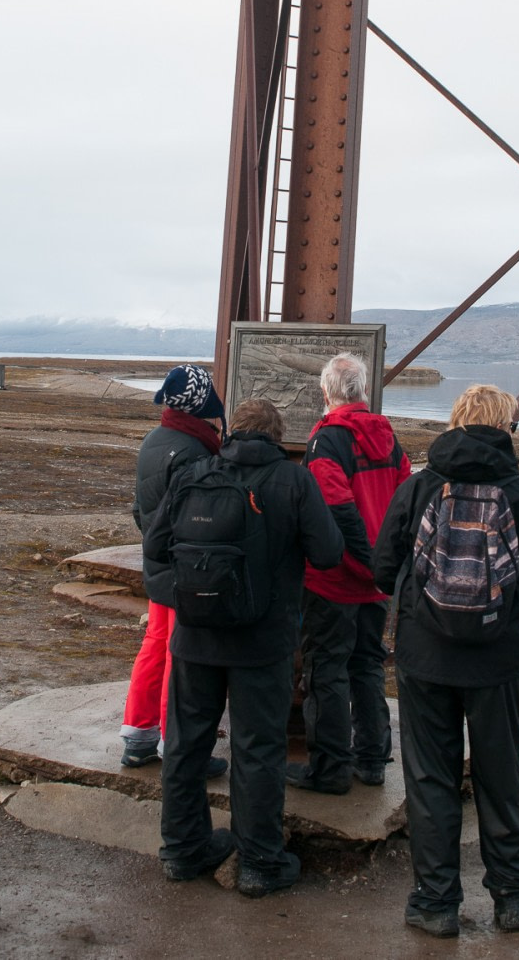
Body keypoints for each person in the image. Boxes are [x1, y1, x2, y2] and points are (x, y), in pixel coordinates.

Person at [373, 384, 519, 937]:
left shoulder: (419, 487)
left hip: (424, 657)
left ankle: (435, 905)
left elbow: (383, 568)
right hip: (498, 662)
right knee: (500, 774)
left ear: (455, 421)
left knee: (430, 778)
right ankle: (512, 901)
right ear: (506, 427)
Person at [143, 397, 344, 896]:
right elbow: (328, 552)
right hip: (264, 641)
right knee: (259, 750)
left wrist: (190, 589)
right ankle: (259, 863)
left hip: (195, 638)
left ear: (232, 430)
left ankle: (182, 851)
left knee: (188, 745)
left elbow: (154, 546)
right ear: (276, 435)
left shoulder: (194, 473)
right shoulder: (294, 480)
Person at [287, 352, 411, 795]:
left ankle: (331, 769)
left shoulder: (327, 441)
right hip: (377, 583)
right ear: (362, 391)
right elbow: (402, 508)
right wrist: (384, 568)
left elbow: (337, 511)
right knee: (367, 665)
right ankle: (373, 758)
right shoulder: (388, 437)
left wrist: (365, 564)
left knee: (327, 672)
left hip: (337, 581)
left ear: (326, 392)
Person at [119, 363, 228, 778]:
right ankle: (176, 745)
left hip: (158, 562)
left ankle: (139, 737)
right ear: (201, 403)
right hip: (185, 567)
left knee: (156, 645)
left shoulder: (154, 441)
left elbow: (140, 509)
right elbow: (193, 516)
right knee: (179, 654)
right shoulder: (194, 451)